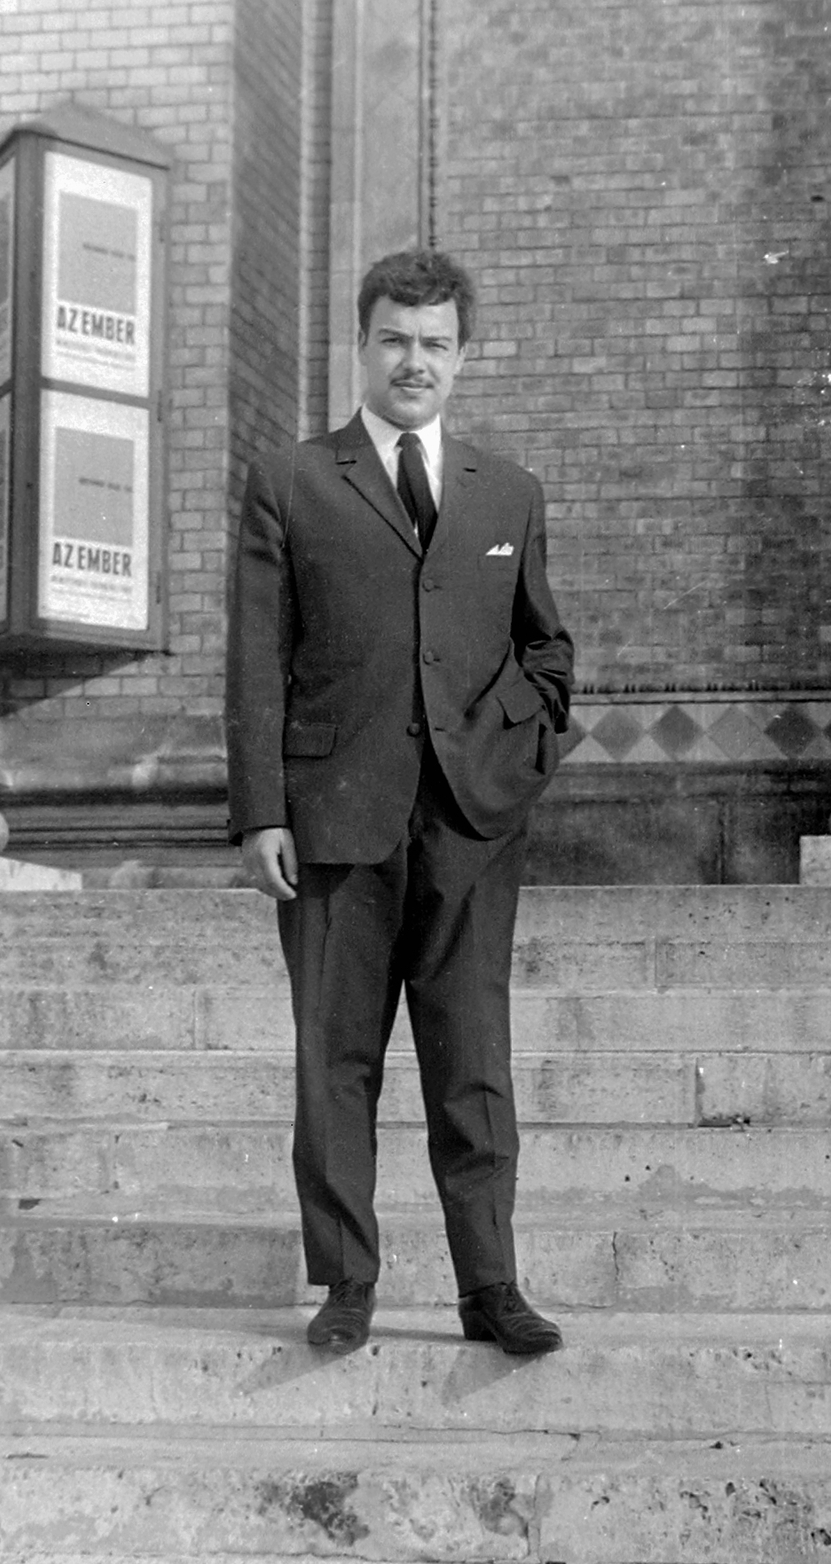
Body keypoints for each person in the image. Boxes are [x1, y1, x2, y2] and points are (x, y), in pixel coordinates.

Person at [225, 250, 574, 1357]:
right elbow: (254, 659)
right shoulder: (292, 481)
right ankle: (345, 1282)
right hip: (335, 811)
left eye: (434, 343)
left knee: (473, 1055)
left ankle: (490, 1289)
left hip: (470, 824)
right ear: (360, 347)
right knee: (335, 1057)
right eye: (393, 339)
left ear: (461, 357)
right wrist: (261, 809)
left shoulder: (506, 492)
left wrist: (512, 751)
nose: (412, 360)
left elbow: (548, 651)